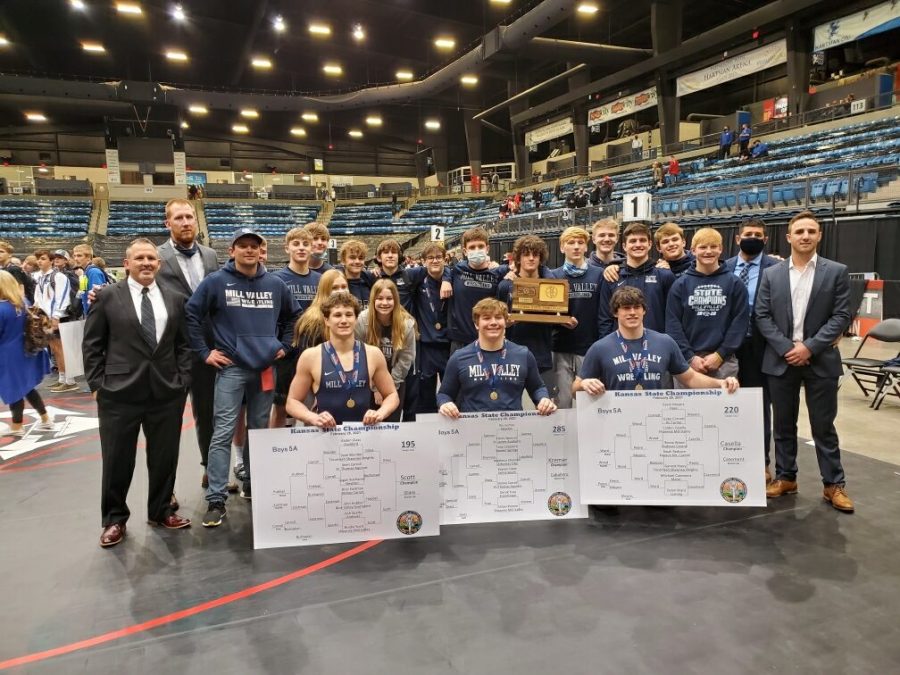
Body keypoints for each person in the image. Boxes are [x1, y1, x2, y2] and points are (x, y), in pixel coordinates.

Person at [82, 239, 194, 547]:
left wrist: (182, 379)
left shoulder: (175, 298)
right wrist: (96, 386)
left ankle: (160, 511)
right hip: (118, 394)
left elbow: (183, 345)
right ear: (127, 263)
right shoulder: (106, 296)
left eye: (152, 258)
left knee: (164, 457)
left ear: (159, 264)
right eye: (140, 258)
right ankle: (114, 519)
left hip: (166, 392)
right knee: (117, 460)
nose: (146, 263)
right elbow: (92, 345)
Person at [185, 227, 299, 526]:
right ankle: (216, 499)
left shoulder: (275, 284)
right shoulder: (216, 282)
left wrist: (285, 346)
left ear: (262, 251)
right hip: (231, 367)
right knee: (223, 431)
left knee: (258, 430)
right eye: (243, 245)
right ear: (231, 251)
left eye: (254, 246)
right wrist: (204, 352)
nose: (249, 250)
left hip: (264, 369)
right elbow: (192, 315)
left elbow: (293, 317)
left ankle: (253, 484)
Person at [755, 211, 854, 512]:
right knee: (784, 425)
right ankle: (786, 478)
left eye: (811, 231)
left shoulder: (836, 272)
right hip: (781, 360)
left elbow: (841, 316)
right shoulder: (772, 274)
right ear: (789, 237)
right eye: (799, 231)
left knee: (823, 426)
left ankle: (833, 485)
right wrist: (788, 348)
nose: (805, 236)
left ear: (819, 235)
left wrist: (809, 347)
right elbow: (762, 315)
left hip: (820, 360)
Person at [155, 198, 221, 489]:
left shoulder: (210, 255)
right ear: (167, 223)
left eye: (189, 217)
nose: (185, 222)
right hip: (170, 349)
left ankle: (212, 469)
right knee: (167, 421)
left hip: (206, 349)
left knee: (208, 414)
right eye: (178, 218)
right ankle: (164, 489)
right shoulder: (155, 257)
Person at [574, 286, 740, 394]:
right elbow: (574, 390)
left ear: (644, 311)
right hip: (617, 420)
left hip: (656, 419)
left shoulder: (665, 342)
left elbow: (689, 378)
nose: (632, 312)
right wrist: (584, 384)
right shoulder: (600, 348)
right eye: (626, 308)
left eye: (637, 307)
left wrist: (720, 383)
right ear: (615, 313)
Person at [286, 292, 399, 427]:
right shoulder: (311, 356)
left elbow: (392, 394)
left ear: (356, 319)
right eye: (337, 315)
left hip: (362, 435)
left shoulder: (373, 354)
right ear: (326, 320)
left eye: (349, 315)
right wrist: (312, 418)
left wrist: (380, 413)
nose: (344, 320)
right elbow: (292, 402)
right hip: (324, 435)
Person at [725, 218, 781, 481]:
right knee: (726, 404)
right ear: (737, 239)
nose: (753, 237)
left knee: (758, 406)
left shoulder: (777, 267)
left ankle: (761, 462)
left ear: (766, 240)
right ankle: (723, 458)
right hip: (726, 348)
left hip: (760, 346)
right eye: (748, 234)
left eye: (758, 235)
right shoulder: (723, 268)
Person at [437, 298, 557, 417]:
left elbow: (537, 388)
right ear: (476, 324)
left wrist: (543, 399)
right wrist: (445, 404)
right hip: (472, 430)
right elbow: (444, 394)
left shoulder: (523, 354)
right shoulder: (459, 357)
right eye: (486, 318)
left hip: (512, 429)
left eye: (498, 317)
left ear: (506, 322)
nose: (493, 322)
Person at [665, 228, 749, 385]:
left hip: (724, 361)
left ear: (721, 249)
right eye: (703, 247)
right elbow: (672, 324)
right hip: (687, 363)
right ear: (693, 250)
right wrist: (690, 357)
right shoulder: (680, 285)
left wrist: (720, 354)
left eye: (713, 246)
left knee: (721, 409)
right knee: (686, 410)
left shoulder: (735, 283)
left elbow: (740, 323)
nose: (708, 251)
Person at [271, 227, 322, 428]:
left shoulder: (319, 279)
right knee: (282, 407)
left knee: (315, 408)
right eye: (296, 244)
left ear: (312, 248)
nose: (301, 248)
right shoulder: (277, 279)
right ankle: (276, 454)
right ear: (287, 248)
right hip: (287, 352)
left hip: (314, 350)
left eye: (305, 244)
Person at [548, 227, 604, 408]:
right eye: (570, 243)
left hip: (590, 350)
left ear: (586, 247)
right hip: (560, 349)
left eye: (580, 243)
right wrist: (560, 320)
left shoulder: (599, 275)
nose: (576, 247)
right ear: (562, 248)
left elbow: (604, 314)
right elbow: (545, 313)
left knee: (590, 404)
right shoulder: (552, 276)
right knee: (561, 405)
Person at [498, 235, 556, 397]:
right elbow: (498, 318)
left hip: (542, 356)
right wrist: (506, 323)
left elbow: (559, 316)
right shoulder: (505, 285)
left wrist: (565, 321)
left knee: (546, 406)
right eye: (526, 254)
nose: (531, 258)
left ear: (541, 257)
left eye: (535, 255)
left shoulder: (552, 285)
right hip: (511, 357)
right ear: (518, 258)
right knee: (509, 408)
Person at [598, 222, 675, 338]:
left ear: (649, 244)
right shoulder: (612, 276)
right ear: (624, 246)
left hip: (656, 347)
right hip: (620, 348)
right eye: (633, 241)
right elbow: (605, 318)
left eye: (642, 240)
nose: (638, 244)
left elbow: (673, 316)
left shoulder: (665, 275)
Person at [0, 270, 52, 437]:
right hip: (25, 350)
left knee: (14, 388)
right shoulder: (23, 302)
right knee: (27, 387)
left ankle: (17, 426)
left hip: (8, 354)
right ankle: (45, 419)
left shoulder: (1, 309)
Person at [356, 279, 416, 422]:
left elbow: (406, 358)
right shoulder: (361, 321)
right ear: (372, 300)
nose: (384, 303)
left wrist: (388, 388)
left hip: (395, 379)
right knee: (367, 423)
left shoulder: (406, 323)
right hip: (366, 381)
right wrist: (375, 388)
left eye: (389, 298)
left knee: (390, 425)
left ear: (395, 300)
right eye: (380, 298)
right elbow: (358, 356)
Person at [441, 227, 505, 352]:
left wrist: (511, 275)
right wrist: (445, 279)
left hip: (489, 340)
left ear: (487, 248)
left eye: (480, 246)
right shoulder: (457, 270)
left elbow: (521, 268)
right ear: (465, 251)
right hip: (460, 343)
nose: (477, 250)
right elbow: (444, 269)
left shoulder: (498, 271)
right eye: (472, 247)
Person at [406, 244, 449, 415]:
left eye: (439, 257)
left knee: (451, 393)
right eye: (430, 258)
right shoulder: (418, 280)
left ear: (445, 259)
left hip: (449, 346)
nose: (435, 260)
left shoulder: (452, 278)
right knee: (425, 396)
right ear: (423, 261)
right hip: (426, 346)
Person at [33, 248, 76, 392]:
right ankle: (62, 378)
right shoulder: (40, 277)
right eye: (38, 258)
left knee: (61, 349)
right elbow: (38, 298)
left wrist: (57, 316)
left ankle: (70, 381)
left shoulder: (59, 277)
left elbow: (63, 297)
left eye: (43, 258)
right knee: (55, 349)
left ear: (51, 261)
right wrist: (36, 313)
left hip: (58, 317)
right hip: (46, 317)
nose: (39, 261)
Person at [72, 244, 108, 316]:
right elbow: (83, 291)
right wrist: (81, 277)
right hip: (88, 314)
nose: (76, 258)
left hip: (95, 315)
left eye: (79, 256)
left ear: (88, 258)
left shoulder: (93, 272)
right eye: (74, 256)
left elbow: (97, 298)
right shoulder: (86, 272)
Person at [338, 239, 372, 309]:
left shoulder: (370, 281)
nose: (357, 261)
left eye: (360, 258)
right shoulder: (337, 285)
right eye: (352, 257)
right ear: (343, 260)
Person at [0, 240, 36, 305]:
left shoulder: (14, 269)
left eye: (1, 252)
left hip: (20, 304)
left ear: (10, 254)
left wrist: (22, 307)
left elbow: (21, 290)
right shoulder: (3, 269)